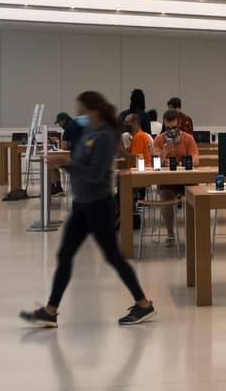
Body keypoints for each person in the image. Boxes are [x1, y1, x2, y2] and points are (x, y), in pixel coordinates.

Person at [21, 91, 156, 329]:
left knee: (113, 257)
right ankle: (50, 310)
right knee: (65, 254)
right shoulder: (89, 133)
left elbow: (95, 173)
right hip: (82, 204)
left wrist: (66, 163)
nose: (78, 115)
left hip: (98, 205)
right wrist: (63, 162)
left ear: (93, 110)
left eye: (81, 110)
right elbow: (79, 162)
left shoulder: (105, 136)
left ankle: (143, 303)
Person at [149, 109, 200, 245]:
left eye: (174, 127)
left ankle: (195, 232)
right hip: (167, 182)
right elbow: (156, 163)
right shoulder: (159, 140)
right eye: (168, 128)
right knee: (165, 196)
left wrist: (182, 163)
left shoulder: (188, 138)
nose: (171, 130)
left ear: (179, 125)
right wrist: (163, 154)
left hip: (187, 181)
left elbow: (196, 159)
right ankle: (170, 234)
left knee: (197, 196)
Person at [50, 111, 83, 195]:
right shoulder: (79, 124)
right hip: (88, 158)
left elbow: (64, 147)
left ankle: (57, 188)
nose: (59, 125)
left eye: (59, 123)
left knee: (51, 163)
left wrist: (57, 141)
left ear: (64, 120)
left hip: (75, 160)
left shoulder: (69, 127)